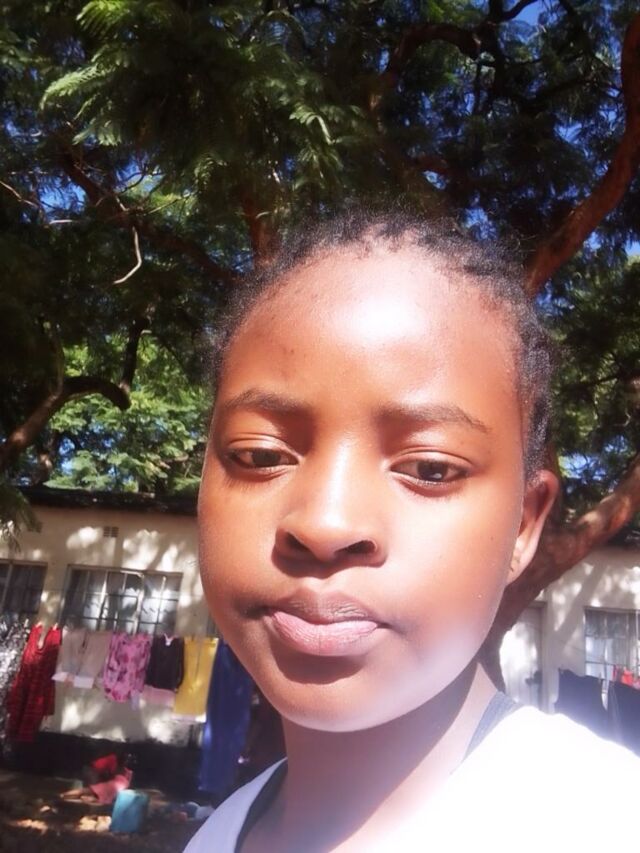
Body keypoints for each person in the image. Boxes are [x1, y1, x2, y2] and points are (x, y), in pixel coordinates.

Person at [187, 210, 639, 853]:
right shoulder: (214, 834)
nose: (325, 524)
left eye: (429, 468)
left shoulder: (608, 821)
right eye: (260, 454)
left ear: (524, 524)